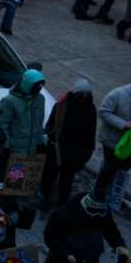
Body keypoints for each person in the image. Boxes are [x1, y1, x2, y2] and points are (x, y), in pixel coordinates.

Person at [42, 79, 99, 208]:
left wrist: (87, 153)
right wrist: (53, 136)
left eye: (86, 94)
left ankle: (61, 204)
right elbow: (49, 126)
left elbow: (90, 133)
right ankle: (45, 200)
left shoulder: (90, 110)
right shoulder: (61, 106)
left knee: (66, 180)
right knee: (49, 177)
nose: (83, 97)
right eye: (81, 94)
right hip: (56, 150)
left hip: (75, 154)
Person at [91, 81, 131, 202]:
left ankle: (114, 197)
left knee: (123, 169)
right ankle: (98, 194)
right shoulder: (118, 94)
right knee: (108, 169)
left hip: (128, 145)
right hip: (112, 142)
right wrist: (124, 124)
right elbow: (103, 112)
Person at [0, 68, 48, 156]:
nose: (39, 88)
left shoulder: (40, 99)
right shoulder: (9, 101)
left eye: (41, 85)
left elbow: (39, 123)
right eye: (37, 85)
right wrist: (6, 146)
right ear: (28, 84)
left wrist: (40, 142)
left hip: (33, 149)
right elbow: (2, 124)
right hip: (15, 150)